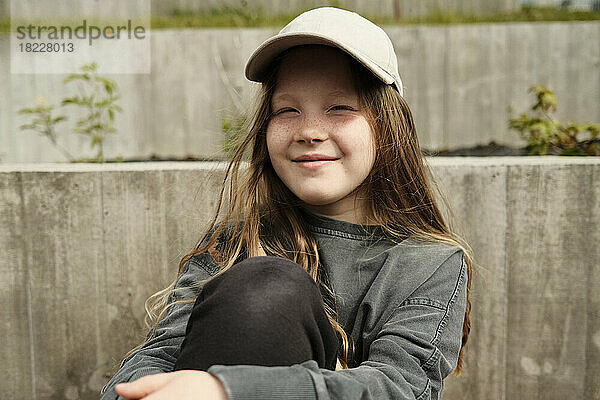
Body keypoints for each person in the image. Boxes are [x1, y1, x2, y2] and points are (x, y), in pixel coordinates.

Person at [101, 6, 474, 400]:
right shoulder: (237, 241)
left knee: (271, 290)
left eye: (339, 108)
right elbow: (157, 358)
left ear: (386, 125)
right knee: (264, 286)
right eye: (288, 110)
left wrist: (234, 388)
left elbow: (400, 388)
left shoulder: (428, 262)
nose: (309, 131)